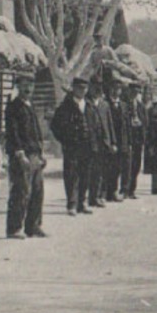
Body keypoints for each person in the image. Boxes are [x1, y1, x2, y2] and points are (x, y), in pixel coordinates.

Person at [4, 73, 47, 239]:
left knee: (37, 191)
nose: (28, 88)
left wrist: (41, 154)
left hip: (35, 154)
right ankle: (14, 228)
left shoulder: (31, 106)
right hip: (22, 155)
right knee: (21, 191)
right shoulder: (14, 107)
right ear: (18, 86)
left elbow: (37, 132)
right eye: (24, 84)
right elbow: (13, 133)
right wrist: (19, 153)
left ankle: (33, 226)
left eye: (31, 84)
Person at [50, 76, 94, 215]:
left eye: (84, 88)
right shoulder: (65, 107)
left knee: (85, 174)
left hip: (87, 146)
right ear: (73, 89)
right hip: (72, 147)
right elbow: (55, 126)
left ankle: (82, 202)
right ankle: (72, 204)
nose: (82, 91)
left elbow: (96, 125)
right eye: (79, 88)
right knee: (71, 175)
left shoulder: (89, 106)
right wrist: (65, 140)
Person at [86, 79, 116, 209]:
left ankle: (100, 195)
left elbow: (110, 124)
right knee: (92, 171)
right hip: (91, 142)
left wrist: (113, 141)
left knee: (103, 170)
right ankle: (92, 197)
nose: (97, 89)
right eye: (94, 86)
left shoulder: (105, 104)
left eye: (99, 87)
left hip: (104, 142)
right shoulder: (86, 103)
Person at [106, 79, 130, 202]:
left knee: (123, 166)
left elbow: (127, 125)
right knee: (112, 167)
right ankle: (111, 191)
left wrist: (129, 142)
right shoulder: (106, 105)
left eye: (118, 89)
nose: (116, 91)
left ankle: (124, 190)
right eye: (114, 89)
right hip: (112, 141)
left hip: (123, 141)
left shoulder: (124, 105)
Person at [127, 83, 148, 199]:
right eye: (133, 91)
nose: (135, 94)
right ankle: (124, 189)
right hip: (128, 138)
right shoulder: (125, 104)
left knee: (136, 165)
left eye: (137, 92)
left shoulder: (141, 106)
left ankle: (132, 190)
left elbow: (145, 122)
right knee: (126, 165)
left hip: (138, 139)